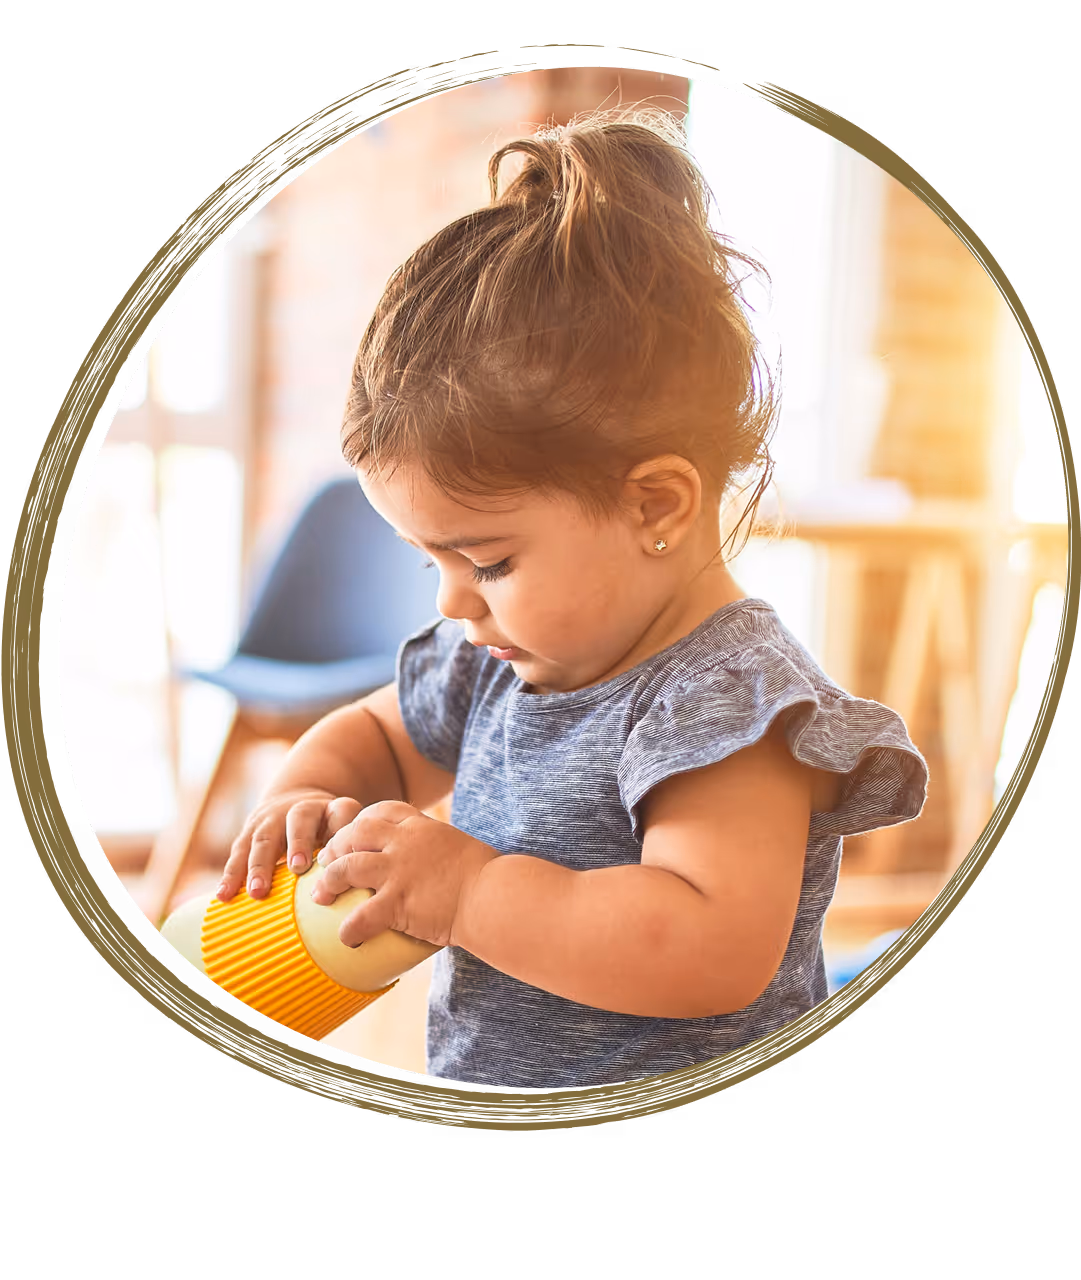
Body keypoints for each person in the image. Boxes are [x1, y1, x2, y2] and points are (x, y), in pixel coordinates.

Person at [216, 107, 928, 1088]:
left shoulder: (723, 700)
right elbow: (373, 738)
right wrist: (303, 799)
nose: (455, 603)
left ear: (655, 506)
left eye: (488, 561)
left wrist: (469, 893)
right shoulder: (497, 658)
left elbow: (707, 947)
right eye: (430, 562)